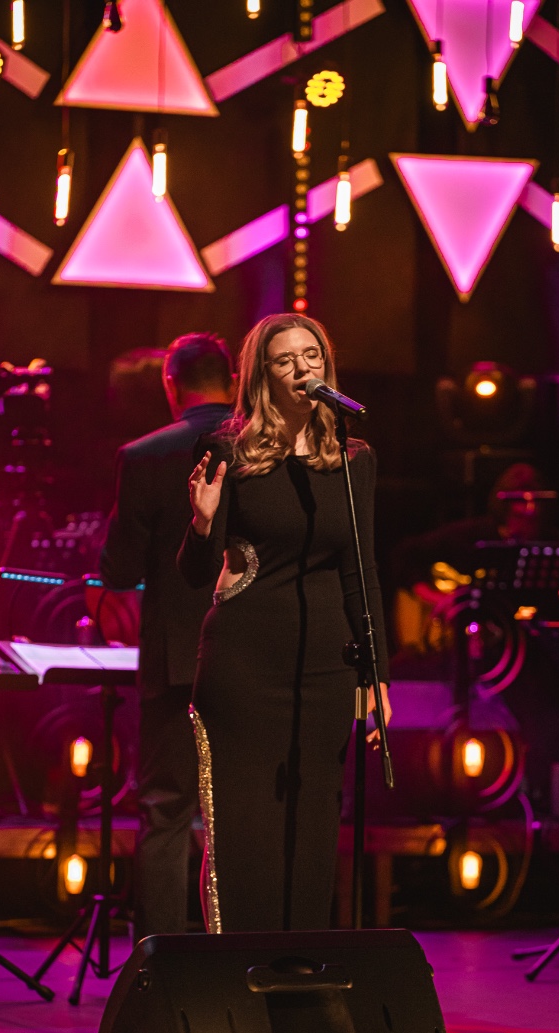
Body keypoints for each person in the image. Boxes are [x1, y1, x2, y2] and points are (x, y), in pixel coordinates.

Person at [177, 312, 392, 933]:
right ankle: (236, 970)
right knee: (246, 832)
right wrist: (202, 522)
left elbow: (361, 570)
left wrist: (377, 676)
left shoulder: (352, 459)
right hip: (245, 665)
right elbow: (194, 575)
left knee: (311, 823)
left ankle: (300, 969)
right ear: (261, 376)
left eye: (312, 355)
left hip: (326, 667)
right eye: (285, 360)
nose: (302, 368)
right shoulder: (229, 452)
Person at [99, 332, 235, 938]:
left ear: (170, 384)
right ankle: (245, 951)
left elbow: (118, 572)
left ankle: (159, 962)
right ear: (234, 381)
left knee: (166, 813)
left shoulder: (144, 456)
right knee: (245, 815)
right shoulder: (264, 450)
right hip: (254, 658)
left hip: (178, 663)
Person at [388, 461, 559, 661]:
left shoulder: (554, 545)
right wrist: (434, 597)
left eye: (534, 505)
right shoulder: (471, 536)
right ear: (504, 507)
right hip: (458, 643)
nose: (528, 510)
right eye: (519, 507)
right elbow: (404, 554)